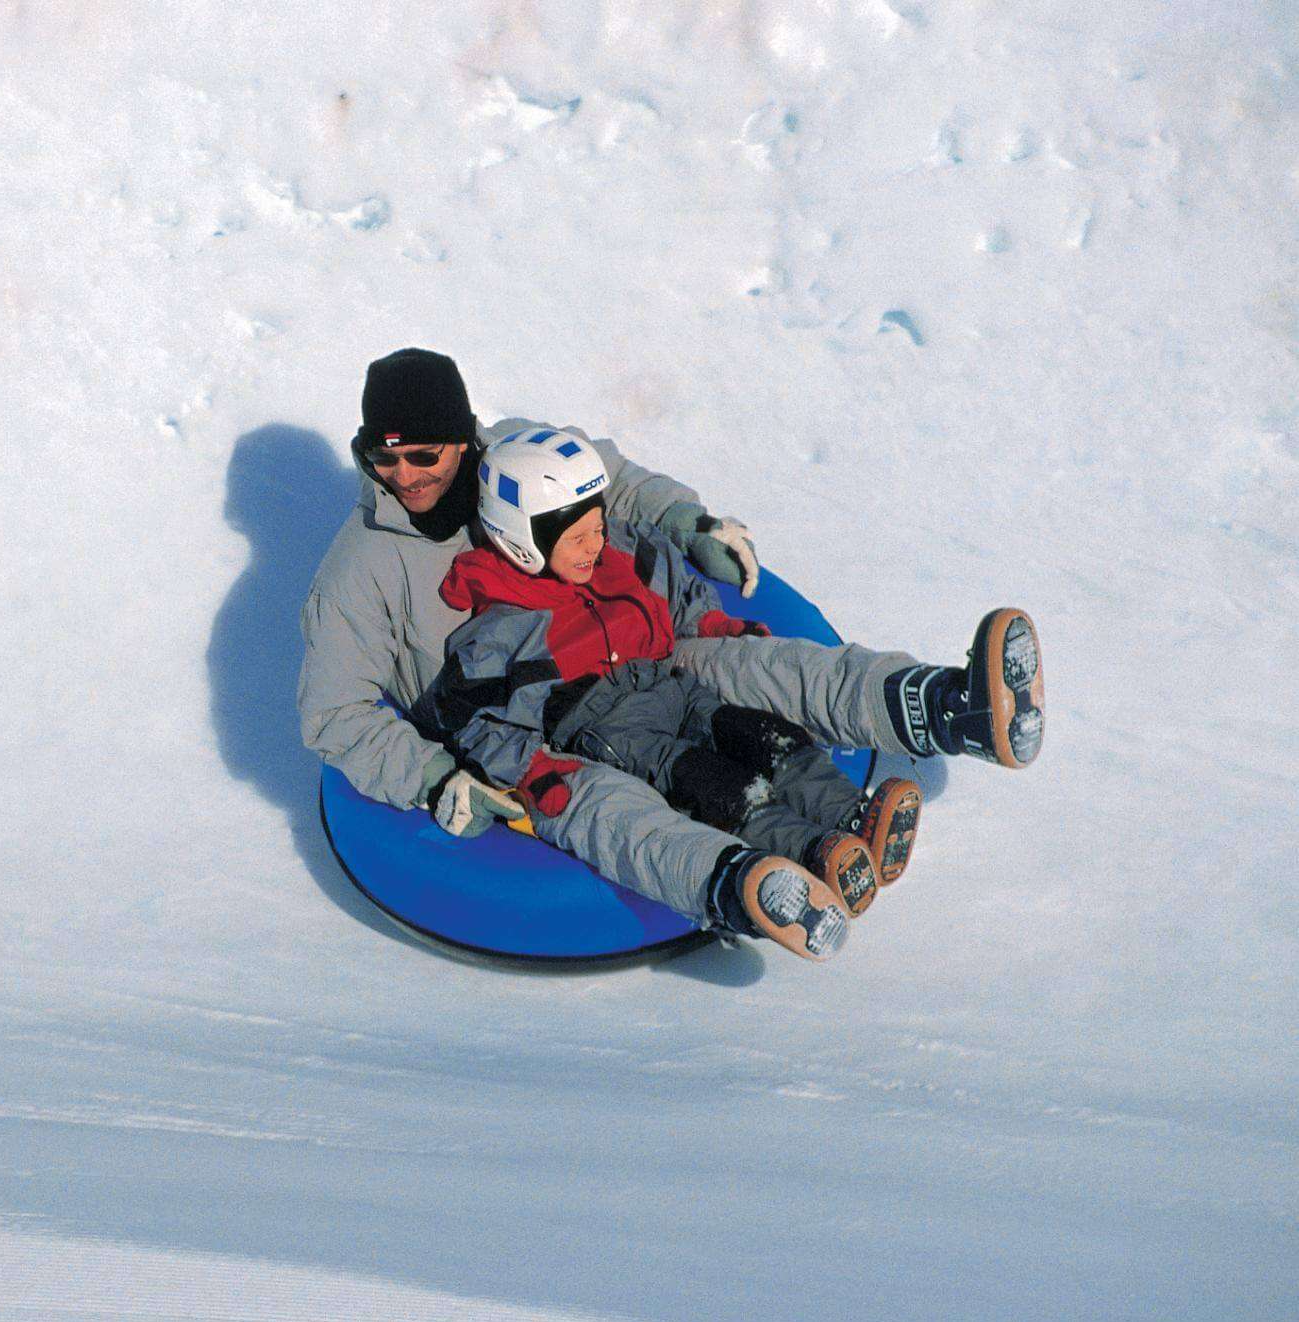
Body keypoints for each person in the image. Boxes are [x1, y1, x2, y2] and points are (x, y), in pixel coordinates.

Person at [297, 348, 1045, 958]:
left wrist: (689, 525)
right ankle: (756, 880)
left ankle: (951, 707)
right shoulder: (359, 573)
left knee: (759, 670)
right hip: (534, 718)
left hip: (631, 649)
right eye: (380, 458)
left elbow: (614, 484)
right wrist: (433, 778)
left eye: (421, 453)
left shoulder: (517, 453)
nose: (403, 477)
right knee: (631, 797)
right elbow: (334, 714)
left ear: (463, 436)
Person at [412, 427, 929, 958]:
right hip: (610, 727)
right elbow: (469, 721)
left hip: (671, 684)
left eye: (598, 527)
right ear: (521, 541)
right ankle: (810, 854)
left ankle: (850, 820)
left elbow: (679, 595)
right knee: (714, 782)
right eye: (579, 538)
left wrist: (713, 626)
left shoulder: (624, 555)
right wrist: (531, 770)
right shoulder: (501, 628)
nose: (596, 545)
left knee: (766, 737)